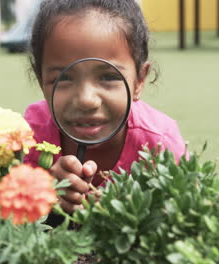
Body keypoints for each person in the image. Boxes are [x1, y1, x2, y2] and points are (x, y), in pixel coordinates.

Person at [24, 0, 188, 214]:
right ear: (41, 81)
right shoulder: (31, 135)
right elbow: (12, 215)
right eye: (62, 79)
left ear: (139, 80)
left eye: (109, 77)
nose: (86, 100)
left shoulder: (160, 146)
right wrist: (43, 195)